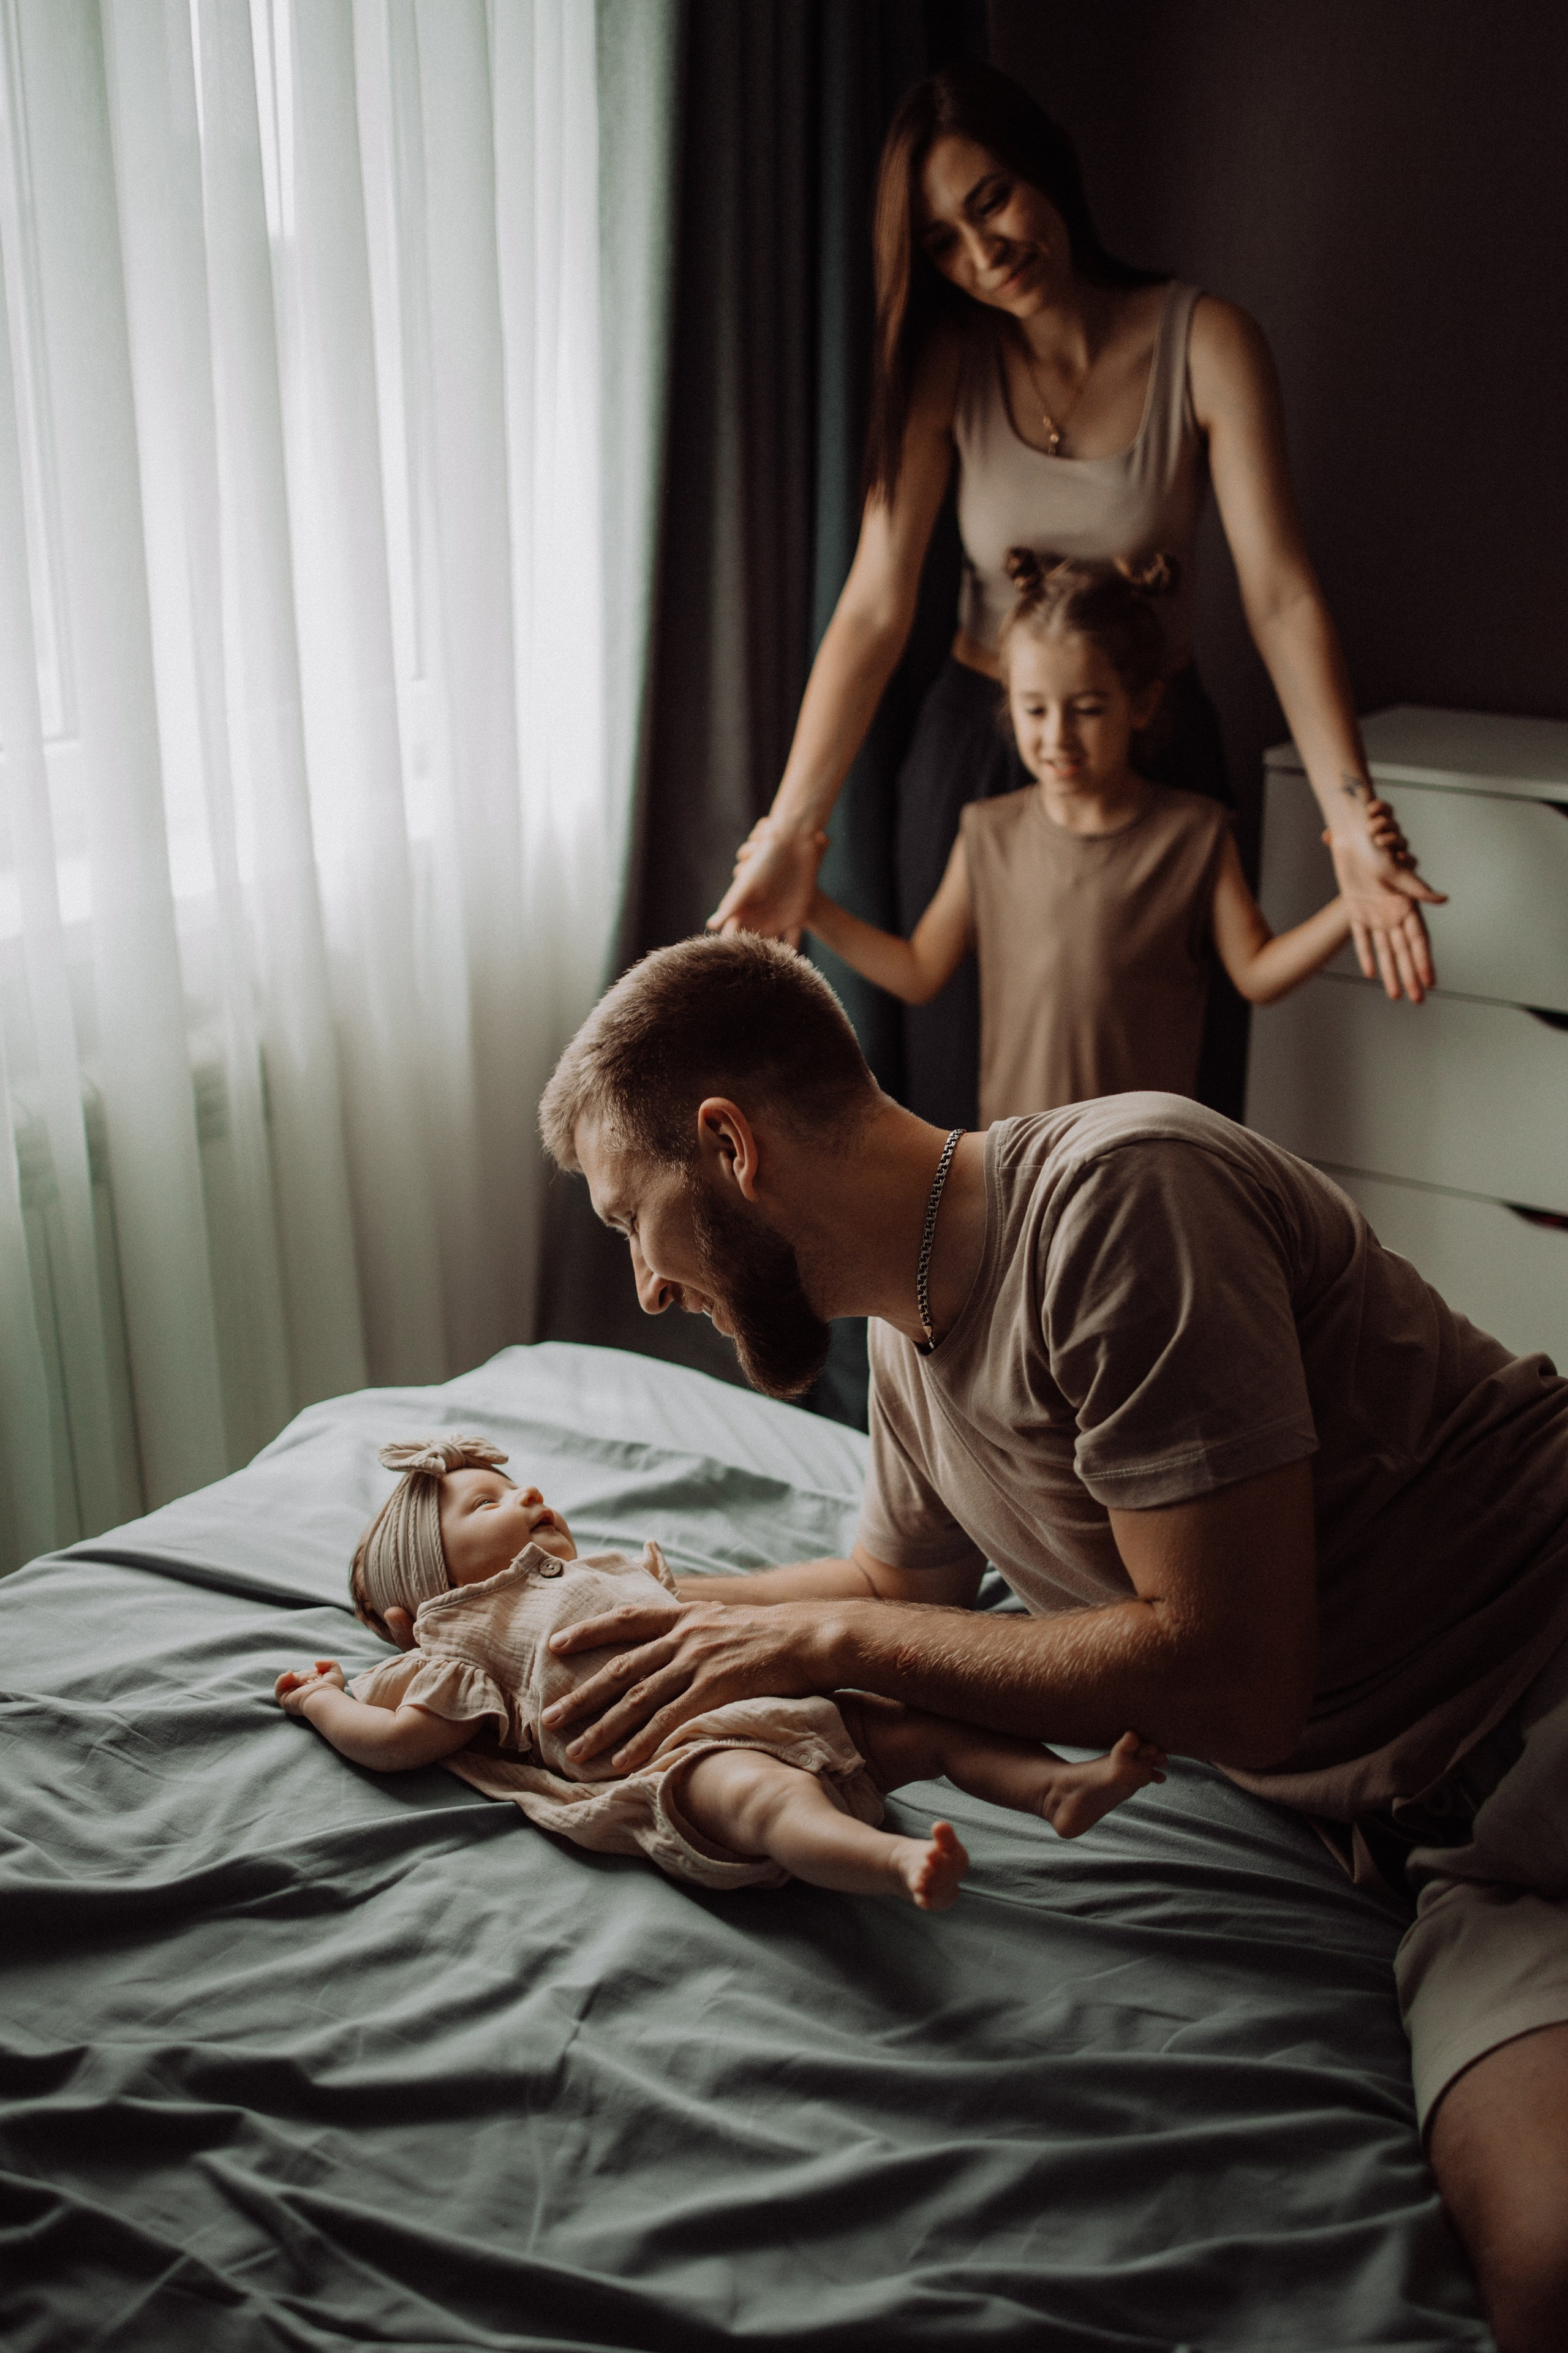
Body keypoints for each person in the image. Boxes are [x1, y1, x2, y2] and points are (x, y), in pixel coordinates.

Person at [537, 933, 1568, 2353]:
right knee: (1545, 2261)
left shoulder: (1121, 1194)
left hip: (1545, 1662)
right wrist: (615, 1617)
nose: (645, 1287)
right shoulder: (899, 1334)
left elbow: (1232, 1676)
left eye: (623, 1217)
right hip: (1443, 1850)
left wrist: (836, 1635)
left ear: (725, 1142)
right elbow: (890, 1573)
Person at [708, 60, 1444, 1127]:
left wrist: (1355, 827)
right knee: (964, 1120)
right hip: (976, 752)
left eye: (992, 199)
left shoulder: (1211, 343)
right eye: (942, 243)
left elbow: (1280, 597)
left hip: (1150, 751)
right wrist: (790, 831)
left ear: (1046, 167)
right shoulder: (942, 368)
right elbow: (875, 606)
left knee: (1159, 1119)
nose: (983, 252)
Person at [274, 1434, 1167, 1911]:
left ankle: (1055, 1787)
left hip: (782, 1704)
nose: (528, 1497)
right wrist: (323, 1701)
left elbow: (728, 1618)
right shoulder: (462, 1641)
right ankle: (891, 1862)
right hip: (680, 1755)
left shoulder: (593, 1571)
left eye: (519, 1485)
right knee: (765, 1801)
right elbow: (398, 1741)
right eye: (487, 1503)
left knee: (913, 1721)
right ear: (420, 1604)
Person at [805, 547, 1395, 1122]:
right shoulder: (988, 833)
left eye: (1087, 709)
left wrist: (1354, 906)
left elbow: (1257, 972)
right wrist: (812, 907)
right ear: (1009, 707)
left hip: (1146, 1162)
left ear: (1140, 705)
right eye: (1035, 710)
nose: (1058, 736)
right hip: (1022, 1168)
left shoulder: (1195, 835)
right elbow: (919, 971)